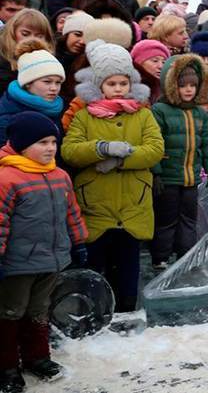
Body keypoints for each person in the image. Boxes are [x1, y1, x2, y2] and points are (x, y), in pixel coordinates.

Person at [62, 41, 164, 312]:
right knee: (95, 269)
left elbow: (155, 149)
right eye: (111, 83)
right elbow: (70, 151)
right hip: (96, 205)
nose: (118, 88)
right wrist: (101, 149)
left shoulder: (143, 115)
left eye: (123, 83)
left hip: (133, 205)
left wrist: (121, 159)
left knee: (128, 268)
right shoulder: (84, 116)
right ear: (99, 85)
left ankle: (126, 313)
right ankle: (93, 314)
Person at [0, 112, 87, 391]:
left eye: (53, 142)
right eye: (42, 143)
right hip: (17, 263)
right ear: (21, 144)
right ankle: (7, 366)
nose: (50, 148)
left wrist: (79, 241)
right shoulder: (7, 178)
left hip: (51, 259)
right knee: (11, 312)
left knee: (39, 310)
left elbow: (71, 213)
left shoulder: (60, 176)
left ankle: (37, 357)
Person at [149, 54, 208, 269]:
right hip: (168, 178)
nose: (189, 90)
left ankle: (186, 257)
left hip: (191, 179)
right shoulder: (160, 110)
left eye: (193, 85)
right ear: (172, 85)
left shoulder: (199, 112)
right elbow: (154, 142)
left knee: (189, 220)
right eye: (183, 85)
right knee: (166, 220)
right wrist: (156, 172)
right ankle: (160, 258)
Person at [0, 40, 65, 148]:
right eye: (47, 81)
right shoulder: (7, 117)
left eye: (58, 82)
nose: (54, 88)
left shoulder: (56, 110)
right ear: (27, 83)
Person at [0, 8, 55, 95]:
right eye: (25, 34)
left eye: (39, 36)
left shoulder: (51, 62)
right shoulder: (2, 58)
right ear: (12, 32)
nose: (32, 39)